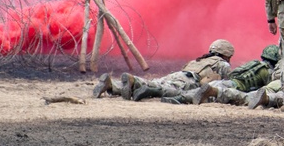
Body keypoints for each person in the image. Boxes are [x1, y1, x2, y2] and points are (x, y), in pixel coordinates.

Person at [92, 39, 234, 100]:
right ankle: (133, 80)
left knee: (157, 82)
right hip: (189, 81)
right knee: (161, 88)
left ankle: (113, 86)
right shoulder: (223, 64)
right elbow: (228, 84)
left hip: (178, 75)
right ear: (227, 54)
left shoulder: (200, 59)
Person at [161, 44, 280, 105]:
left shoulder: (254, 64)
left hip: (226, 82)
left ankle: (176, 97)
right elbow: (266, 88)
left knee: (198, 92)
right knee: (210, 97)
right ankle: (179, 99)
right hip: (234, 87)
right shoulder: (268, 71)